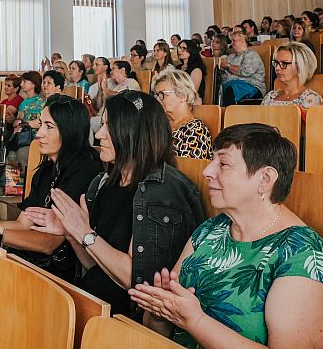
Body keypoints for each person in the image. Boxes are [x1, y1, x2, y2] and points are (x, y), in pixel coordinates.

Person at [130, 124, 323, 349]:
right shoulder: (212, 230)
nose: (207, 171)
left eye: (223, 163)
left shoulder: (304, 256)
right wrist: (159, 315)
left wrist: (196, 321)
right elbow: (162, 332)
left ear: (265, 179)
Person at [25, 91, 206, 318]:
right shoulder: (104, 182)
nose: (99, 134)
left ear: (135, 133)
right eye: (102, 124)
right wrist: (72, 233)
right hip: (93, 305)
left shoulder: (163, 192)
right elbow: (94, 264)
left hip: (125, 323)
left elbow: (139, 282)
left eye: (109, 126)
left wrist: (84, 232)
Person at [0, 95, 100, 282]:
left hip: (60, 274)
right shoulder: (46, 170)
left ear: (69, 131)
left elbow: (50, 243)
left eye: (49, 127)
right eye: (41, 124)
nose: (38, 134)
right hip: (32, 259)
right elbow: (22, 224)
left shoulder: (84, 169)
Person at [153, 69, 213, 159]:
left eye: (162, 94)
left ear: (183, 96)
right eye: (157, 95)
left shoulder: (195, 132)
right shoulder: (159, 124)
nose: (158, 99)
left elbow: (186, 171)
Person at [261, 42, 323, 113]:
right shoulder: (270, 96)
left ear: (300, 66)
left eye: (284, 63)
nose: (277, 68)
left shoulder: (311, 98)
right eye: (276, 63)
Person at [218, 27, 266, 105]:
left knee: (232, 88)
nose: (231, 44)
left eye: (234, 40)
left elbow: (245, 71)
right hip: (231, 85)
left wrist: (227, 66)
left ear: (243, 40)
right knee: (218, 88)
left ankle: (229, 115)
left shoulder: (251, 54)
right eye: (231, 41)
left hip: (252, 86)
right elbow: (224, 75)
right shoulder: (231, 57)